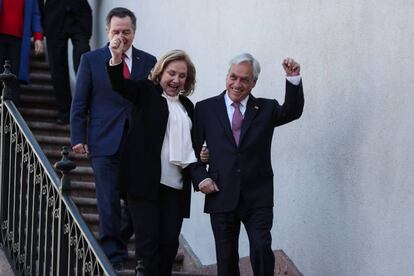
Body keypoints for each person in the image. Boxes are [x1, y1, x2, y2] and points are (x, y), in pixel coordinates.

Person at [191, 53, 304, 276]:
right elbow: (192, 153)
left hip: (257, 196)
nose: (237, 84)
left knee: (261, 248)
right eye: (233, 77)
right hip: (221, 193)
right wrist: (200, 177)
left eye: (244, 80)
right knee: (226, 258)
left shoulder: (266, 108)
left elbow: (292, 111)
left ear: (254, 83)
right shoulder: (204, 109)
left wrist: (293, 79)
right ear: (226, 77)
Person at [70, 7, 157, 270]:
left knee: (134, 205)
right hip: (103, 140)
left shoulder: (148, 61)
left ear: (134, 32)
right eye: (116, 31)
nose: (122, 36)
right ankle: (113, 258)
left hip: (138, 144)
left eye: (126, 31)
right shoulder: (91, 59)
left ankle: (113, 240)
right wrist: (78, 136)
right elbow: (80, 102)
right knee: (107, 200)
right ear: (108, 32)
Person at [107, 45, 197, 275]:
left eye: (182, 75)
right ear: (161, 72)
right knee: (148, 247)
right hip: (144, 184)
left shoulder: (188, 107)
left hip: (175, 187)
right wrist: (116, 59)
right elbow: (120, 85)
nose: (176, 79)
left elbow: (192, 144)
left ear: (187, 81)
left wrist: (203, 154)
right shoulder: (147, 93)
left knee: (169, 245)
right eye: (172, 73)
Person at [43, 0, 92, 124]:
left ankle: (85, 110)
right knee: (57, 68)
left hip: (80, 16)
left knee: (83, 65)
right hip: (54, 18)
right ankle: (64, 112)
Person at [0, 0, 44, 106]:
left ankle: (10, 116)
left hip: (18, 41)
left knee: (14, 78)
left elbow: (35, 14)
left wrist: (38, 37)